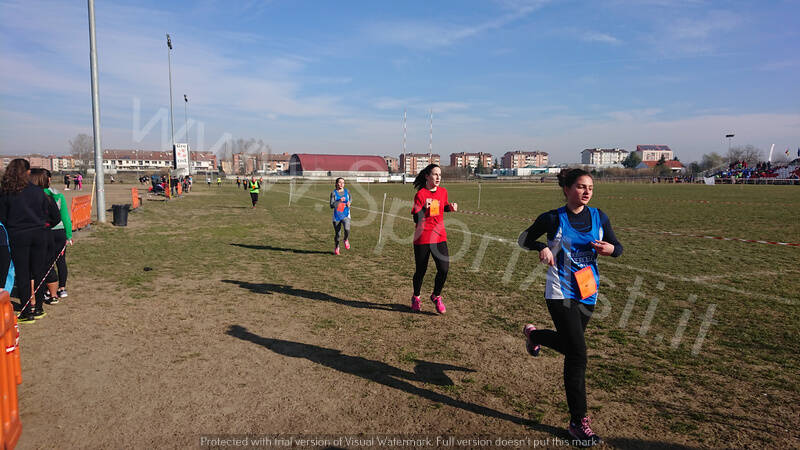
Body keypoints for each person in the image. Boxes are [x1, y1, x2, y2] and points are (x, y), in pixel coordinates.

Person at [517, 168, 623, 447]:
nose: (586, 191)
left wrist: (611, 250)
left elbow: (618, 246)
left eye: (590, 187)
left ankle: (534, 335)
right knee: (577, 354)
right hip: (560, 291)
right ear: (566, 189)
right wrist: (543, 247)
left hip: (588, 291)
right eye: (580, 186)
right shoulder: (553, 218)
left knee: (568, 344)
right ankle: (578, 422)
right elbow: (522, 239)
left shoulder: (600, 217)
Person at [0, 159, 51, 322]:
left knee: (22, 273)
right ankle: (39, 307)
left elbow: (2, 216)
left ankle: (27, 309)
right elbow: (46, 212)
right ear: (28, 172)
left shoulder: (6, 192)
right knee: (38, 271)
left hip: (18, 235)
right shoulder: (37, 191)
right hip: (38, 234)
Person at [410, 164, 457, 314]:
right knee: (421, 271)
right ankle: (416, 297)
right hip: (423, 237)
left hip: (439, 237)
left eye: (440, 175)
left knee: (444, 269)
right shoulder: (421, 194)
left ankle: (436, 296)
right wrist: (425, 208)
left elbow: (441, 207)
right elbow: (416, 218)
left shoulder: (443, 192)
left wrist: (450, 207)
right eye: (435, 174)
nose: (438, 178)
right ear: (427, 176)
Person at [30, 169, 71, 303]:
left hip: (44, 232)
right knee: (60, 261)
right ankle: (62, 288)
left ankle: (48, 290)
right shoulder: (58, 195)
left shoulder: (32, 195)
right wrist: (68, 235)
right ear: (48, 180)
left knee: (46, 262)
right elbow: (65, 216)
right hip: (59, 231)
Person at [329, 177, 351, 255]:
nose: (342, 184)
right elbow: (331, 205)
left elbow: (350, 199)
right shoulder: (333, 193)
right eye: (340, 182)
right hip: (337, 215)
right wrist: (339, 201)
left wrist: (349, 203)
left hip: (346, 214)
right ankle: (337, 246)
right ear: (336, 183)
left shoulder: (347, 191)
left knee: (347, 229)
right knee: (338, 234)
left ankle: (345, 239)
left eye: (343, 183)